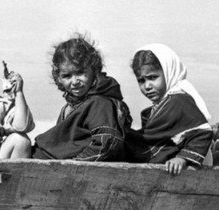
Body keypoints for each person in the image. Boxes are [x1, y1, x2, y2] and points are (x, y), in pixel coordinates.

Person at [32, 33, 131, 161]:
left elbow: (106, 144)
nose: (74, 81)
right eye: (67, 76)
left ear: (94, 71)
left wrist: (72, 165)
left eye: (80, 73)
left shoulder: (100, 104)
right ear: (59, 78)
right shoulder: (68, 108)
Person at [125, 44, 213, 175]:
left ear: (168, 72)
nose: (147, 86)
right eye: (141, 80)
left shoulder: (178, 100)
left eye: (153, 77)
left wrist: (182, 159)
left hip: (192, 168)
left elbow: (201, 132)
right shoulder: (162, 104)